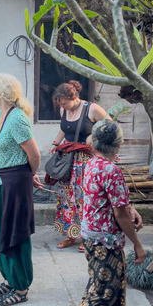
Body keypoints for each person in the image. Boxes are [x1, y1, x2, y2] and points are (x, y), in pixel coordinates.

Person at [75, 120, 146, 306]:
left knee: (107, 291)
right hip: (105, 242)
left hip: (91, 237)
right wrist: (137, 244)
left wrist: (130, 208)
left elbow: (108, 201)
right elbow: (120, 214)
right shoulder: (111, 171)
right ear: (118, 145)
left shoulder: (91, 164)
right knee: (101, 297)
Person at [0, 73, 42, 306]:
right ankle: (9, 279)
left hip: (15, 185)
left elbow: (34, 155)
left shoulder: (17, 118)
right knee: (1, 233)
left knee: (15, 234)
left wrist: (29, 174)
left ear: (2, 92)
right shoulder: (0, 114)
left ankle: (21, 287)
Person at [50, 81, 109, 252]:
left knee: (84, 197)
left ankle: (87, 235)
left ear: (74, 98)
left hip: (86, 160)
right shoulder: (64, 110)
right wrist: (55, 143)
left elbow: (110, 124)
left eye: (64, 103)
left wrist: (94, 133)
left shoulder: (92, 109)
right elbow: (64, 128)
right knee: (68, 197)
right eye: (60, 104)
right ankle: (71, 234)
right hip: (68, 160)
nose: (63, 107)